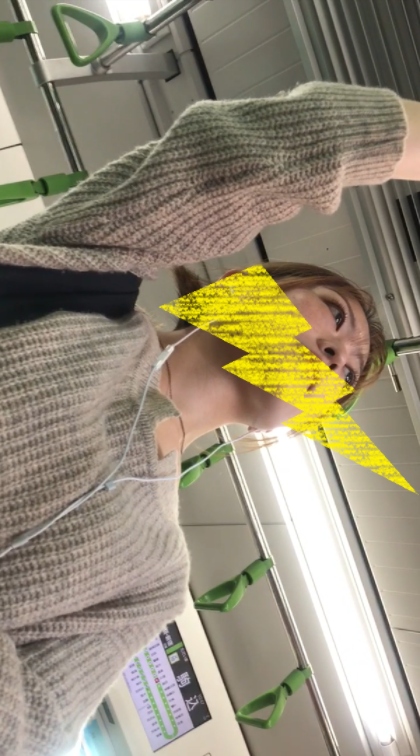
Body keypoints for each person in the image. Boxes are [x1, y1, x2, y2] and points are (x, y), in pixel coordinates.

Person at [0, 79, 418, 755]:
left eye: (344, 377)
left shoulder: (152, 577)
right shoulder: (83, 282)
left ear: (295, 425)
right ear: (249, 290)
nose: (338, 354)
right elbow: (232, 156)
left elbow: (31, 728)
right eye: (335, 315)